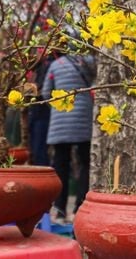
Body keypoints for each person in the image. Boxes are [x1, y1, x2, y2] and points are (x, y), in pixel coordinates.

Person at [42, 49, 95, 222]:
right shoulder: (88, 61)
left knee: (60, 165)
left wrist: (58, 108)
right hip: (83, 117)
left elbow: (45, 93)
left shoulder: (55, 65)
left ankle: (59, 209)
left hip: (60, 119)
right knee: (84, 164)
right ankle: (80, 206)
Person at [27, 50, 57, 166]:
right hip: (35, 114)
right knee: (36, 148)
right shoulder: (37, 68)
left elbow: (41, 90)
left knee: (40, 149)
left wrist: (28, 88)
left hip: (42, 113)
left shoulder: (48, 66)